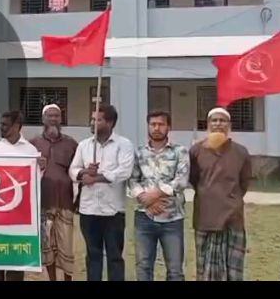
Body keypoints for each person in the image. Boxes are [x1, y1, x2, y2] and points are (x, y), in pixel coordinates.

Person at [69, 104, 134, 281]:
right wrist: (84, 173)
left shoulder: (124, 145)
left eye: (98, 120)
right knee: (93, 255)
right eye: (92, 119)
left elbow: (124, 172)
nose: (92, 123)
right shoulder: (84, 145)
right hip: (88, 210)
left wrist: (97, 178)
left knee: (114, 256)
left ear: (110, 123)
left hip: (113, 211)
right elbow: (73, 170)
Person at [190, 107, 252, 281]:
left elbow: (244, 182)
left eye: (222, 120)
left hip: (233, 218)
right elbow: (193, 180)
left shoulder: (241, 152)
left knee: (233, 271)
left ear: (229, 125)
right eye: (214, 120)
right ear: (208, 125)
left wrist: (231, 199)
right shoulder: (196, 151)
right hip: (205, 217)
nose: (218, 124)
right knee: (205, 270)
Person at [128, 111, 189, 281]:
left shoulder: (180, 152)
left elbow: (181, 181)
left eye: (161, 124)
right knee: (143, 266)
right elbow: (132, 180)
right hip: (144, 217)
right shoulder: (139, 153)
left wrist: (156, 194)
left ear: (168, 127)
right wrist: (145, 200)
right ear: (148, 127)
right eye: (153, 124)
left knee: (175, 269)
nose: (156, 128)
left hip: (172, 218)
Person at [0, 111, 42, 282]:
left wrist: (41, 168)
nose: (1, 128)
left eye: (5, 125)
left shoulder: (30, 150)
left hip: (19, 213)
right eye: (1, 124)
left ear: (17, 126)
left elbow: (35, 181)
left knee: (16, 260)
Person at [29, 104, 78, 281]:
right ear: (43, 119)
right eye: (49, 116)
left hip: (65, 202)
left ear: (61, 119)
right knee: (47, 245)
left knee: (66, 245)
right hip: (43, 203)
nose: (53, 119)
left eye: (56, 116)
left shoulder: (71, 143)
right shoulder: (32, 144)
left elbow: (78, 169)